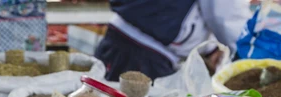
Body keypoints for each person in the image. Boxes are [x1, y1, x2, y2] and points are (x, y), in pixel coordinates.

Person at [96, 0, 252, 81]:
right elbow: (226, 17)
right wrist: (252, 54)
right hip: (143, 55)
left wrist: (210, 49)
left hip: (121, 38)